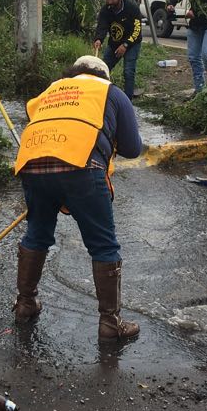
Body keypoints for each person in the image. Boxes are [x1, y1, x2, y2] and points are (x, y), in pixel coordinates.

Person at [13, 55, 143, 340]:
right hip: (82, 165)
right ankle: (110, 322)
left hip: (31, 163)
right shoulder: (110, 92)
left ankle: (25, 304)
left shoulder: (52, 89)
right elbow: (133, 148)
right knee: (103, 245)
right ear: (104, 76)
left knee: (37, 234)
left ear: (74, 72)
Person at [92, 0, 142, 99]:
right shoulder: (105, 10)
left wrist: (125, 45)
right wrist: (98, 39)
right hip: (114, 43)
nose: (109, 2)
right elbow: (102, 26)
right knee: (103, 69)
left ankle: (128, 100)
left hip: (132, 44)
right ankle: (100, 97)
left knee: (128, 72)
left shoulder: (132, 9)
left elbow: (137, 31)